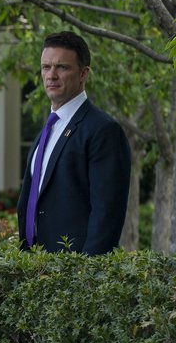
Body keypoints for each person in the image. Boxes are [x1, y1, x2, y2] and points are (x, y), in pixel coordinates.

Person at [16, 31, 131, 255]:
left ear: (83, 73)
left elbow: (107, 213)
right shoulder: (48, 130)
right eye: (45, 67)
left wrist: (86, 274)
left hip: (73, 274)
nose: (51, 75)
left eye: (62, 67)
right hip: (34, 266)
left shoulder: (103, 130)